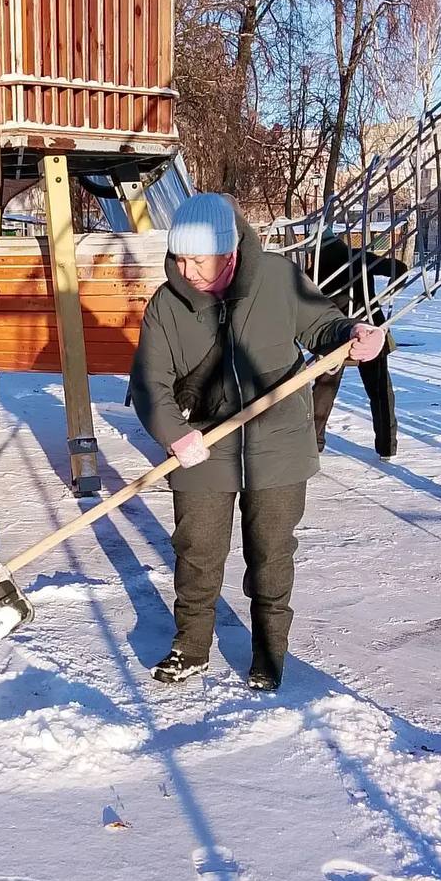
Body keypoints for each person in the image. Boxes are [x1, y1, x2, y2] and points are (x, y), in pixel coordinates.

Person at [129, 193, 384, 691]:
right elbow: (148, 384)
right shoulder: (167, 304)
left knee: (271, 553)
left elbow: (322, 325)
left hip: (279, 443)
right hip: (203, 443)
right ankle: (191, 646)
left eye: (198, 260)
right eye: (180, 259)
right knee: (196, 551)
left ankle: (269, 650)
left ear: (230, 251)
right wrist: (175, 435)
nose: (188, 270)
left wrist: (352, 335)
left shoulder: (277, 278)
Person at [309, 231, 407, 460]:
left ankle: (314, 443)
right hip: (370, 329)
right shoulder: (358, 258)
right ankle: (387, 445)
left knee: (324, 388)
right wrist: (384, 297)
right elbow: (399, 269)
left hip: (334, 333)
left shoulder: (315, 270)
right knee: (380, 389)